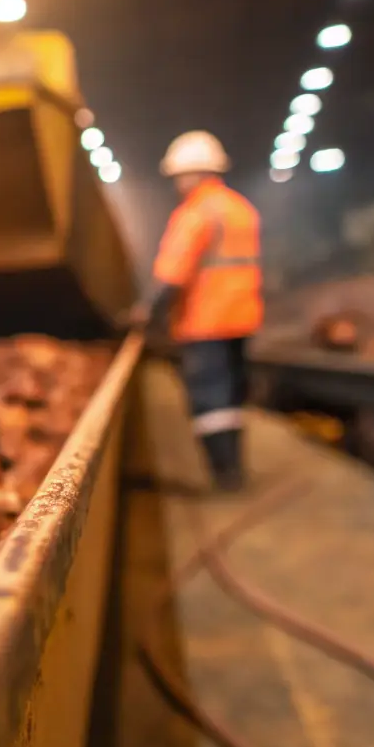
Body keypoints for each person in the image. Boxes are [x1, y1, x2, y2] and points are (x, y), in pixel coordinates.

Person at [129, 131, 264, 491]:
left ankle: (225, 476)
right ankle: (235, 469)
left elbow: (173, 273)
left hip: (206, 321)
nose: (176, 184)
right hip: (242, 317)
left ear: (192, 175)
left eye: (178, 177)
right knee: (231, 397)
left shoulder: (195, 213)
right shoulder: (240, 208)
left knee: (210, 400)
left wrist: (147, 311)